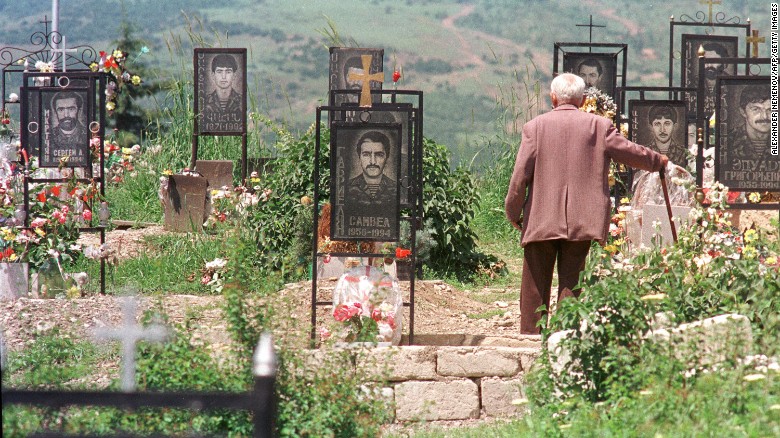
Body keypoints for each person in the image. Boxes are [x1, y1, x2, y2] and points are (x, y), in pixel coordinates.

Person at [504, 73, 668, 334]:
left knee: (535, 280)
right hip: (582, 218)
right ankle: (564, 337)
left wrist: (513, 211)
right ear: (582, 100)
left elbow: (519, 177)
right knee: (572, 279)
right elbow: (628, 152)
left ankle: (531, 339)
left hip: (541, 217)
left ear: (553, 98)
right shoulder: (599, 126)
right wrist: (656, 160)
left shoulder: (534, 127)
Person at [347, 130, 396, 206]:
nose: (373, 161)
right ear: (359, 158)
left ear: (386, 158)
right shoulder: (346, 187)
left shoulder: (396, 188)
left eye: (379, 155)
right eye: (366, 154)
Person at [729, 84, 772, 160]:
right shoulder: (727, 141)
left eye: (770, 110)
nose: (764, 116)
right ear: (743, 112)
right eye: (756, 109)